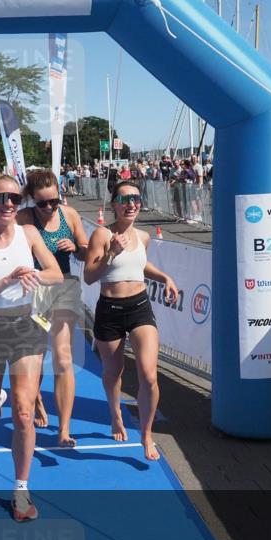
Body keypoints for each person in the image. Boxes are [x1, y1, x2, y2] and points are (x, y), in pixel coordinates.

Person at [0, 165, 62, 521]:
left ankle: (21, 490)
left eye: (15, 199)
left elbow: (56, 274)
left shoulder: (28, 233)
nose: (8, 204)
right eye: (2, 198)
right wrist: (6, 281)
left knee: (23, 413)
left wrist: (34, 275)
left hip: (26, 327)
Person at [82, 181, 178, 461]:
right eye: (125, 199)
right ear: (114, 204)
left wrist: (164, 277)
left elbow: (139, 264)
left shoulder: (144, 236)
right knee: (113, 373)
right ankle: (115, 414)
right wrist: (111, 252)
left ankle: (146, 435)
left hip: (139, 308)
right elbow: (89, 276)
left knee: (149, 376)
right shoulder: (102, 234)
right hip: (109, 310)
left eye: (136, 198)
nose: (132, 204)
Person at [16, 170, 90, 447]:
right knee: (35, 355)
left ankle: (64, 430)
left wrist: (76, 247)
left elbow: (87, 251)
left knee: (62, 356)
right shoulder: (23, 219)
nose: (49, 208)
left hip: (64, 287)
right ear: (32, 199)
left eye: (54, 201)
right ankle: (37, 400)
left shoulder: (69, 216)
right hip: (33, 289)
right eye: (42, 203)